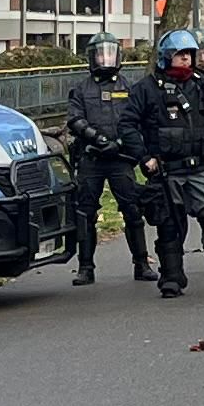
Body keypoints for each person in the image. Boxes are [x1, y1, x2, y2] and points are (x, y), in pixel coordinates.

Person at [127, 27, 204, 298]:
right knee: (169, 226)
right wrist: (144, 157)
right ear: (166, 57)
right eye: (180, 54)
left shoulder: (201, 86)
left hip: (199, 168)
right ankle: (171, 279)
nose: (186, 59)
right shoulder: (146, 89)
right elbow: (127, 125)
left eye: (189, 54)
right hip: (166, 170)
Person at [61, 33, 153, 288]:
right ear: (92, 57)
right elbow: (75, 119)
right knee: (85, 212)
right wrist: (98, 139)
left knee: (132, 209)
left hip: (120, 158)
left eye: (110, 53)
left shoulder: (129, 87)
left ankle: (142, 264)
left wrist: (121, 143)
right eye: (100, 54)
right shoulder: (81, 89)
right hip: (91, 157)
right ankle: (85, 268)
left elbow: (137, 120)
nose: (105, 58)